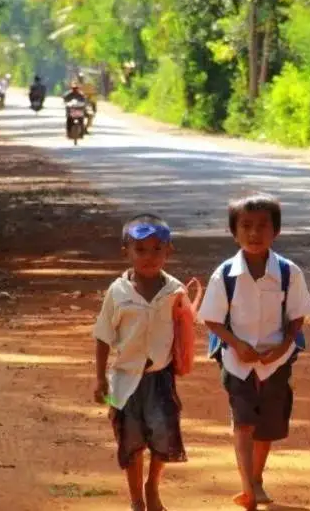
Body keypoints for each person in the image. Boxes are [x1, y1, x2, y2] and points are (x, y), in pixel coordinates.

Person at [199, 194, 310, 511]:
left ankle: (257, 478)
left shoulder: (290, 273)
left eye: (262, 226)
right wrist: (236, 344)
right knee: (244, 423)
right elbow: (211, 319)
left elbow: (297, 318)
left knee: (267, 427)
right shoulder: (224, 275)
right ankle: (247, 487)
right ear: (234, 232)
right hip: (237, 362)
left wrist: (281, 346)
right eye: (246, 226)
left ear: (275, 231)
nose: (254, 233)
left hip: (277, 361)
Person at [93, 213, 188, 511]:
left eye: (157, 249)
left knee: (164, 436)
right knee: (131, 441)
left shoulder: (175, 291)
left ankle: (152, 486)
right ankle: (137, 499)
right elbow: (103, 335)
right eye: (141, 250)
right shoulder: (117, 292)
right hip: (124, 380)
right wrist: (99, 379)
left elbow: (184, 329)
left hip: (161, 377)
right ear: (127, 252)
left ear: (169, 250)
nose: (149, 257)